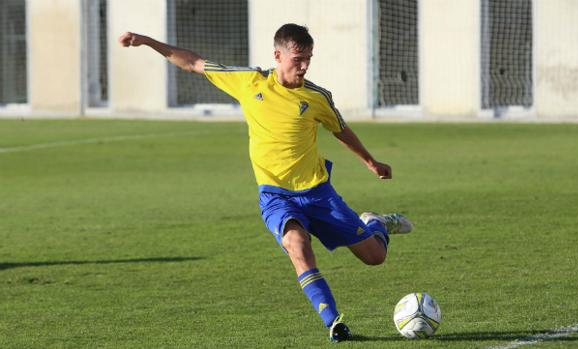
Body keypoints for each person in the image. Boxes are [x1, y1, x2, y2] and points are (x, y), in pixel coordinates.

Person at [118, 23, 412, 342]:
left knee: (374, 257)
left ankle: (375, 223)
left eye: (309, 59)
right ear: (278, 55)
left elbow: (340, 129)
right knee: (297, 246)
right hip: (275, 196)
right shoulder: (249, 82)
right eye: (298, 58)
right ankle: (334, 322)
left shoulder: (316, 97)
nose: (304, 65)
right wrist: (146, 41)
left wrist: (370, 162)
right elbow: (193, 62)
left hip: (318, 193)